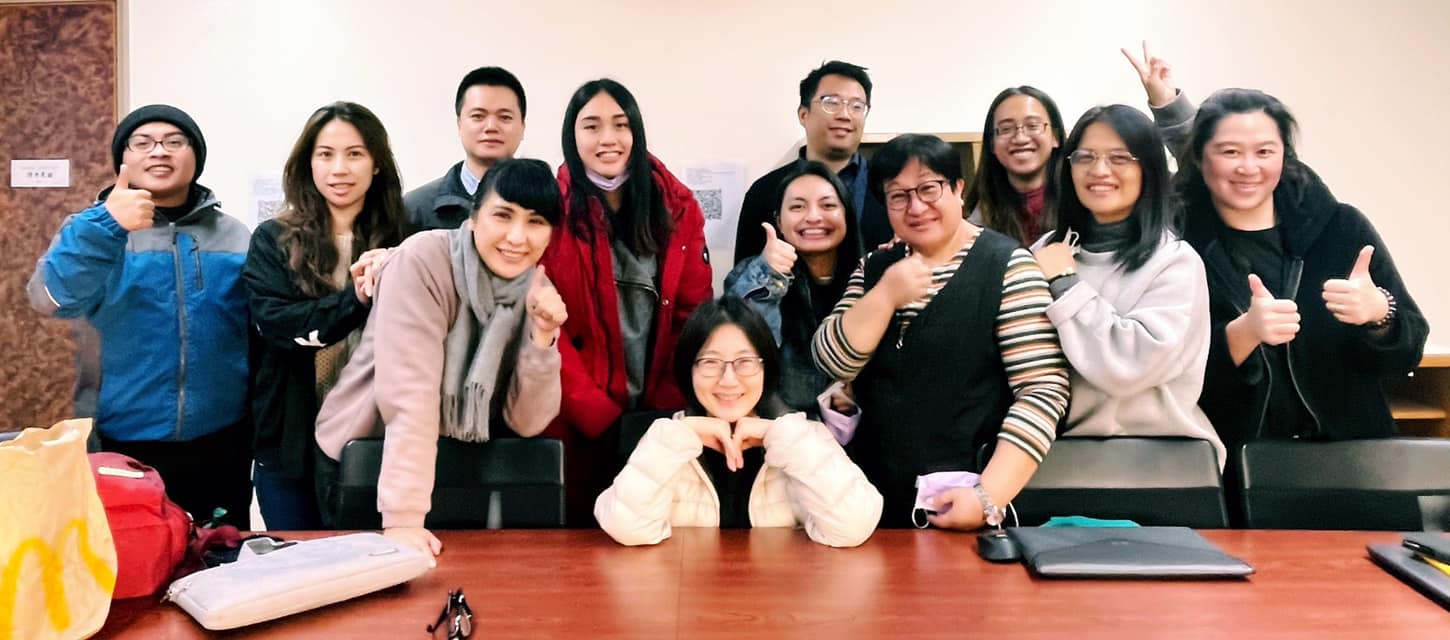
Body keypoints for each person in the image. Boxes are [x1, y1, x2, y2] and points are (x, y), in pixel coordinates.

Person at [1123, 43, 1428, 452]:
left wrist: (1380, 314)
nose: (1249, 167)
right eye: (1229, 152)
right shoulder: (1175, 246)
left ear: (1285, 155)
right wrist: (1240, 337)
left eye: (1265, 152)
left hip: (1354, 455)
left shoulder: (1341, 228)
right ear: (1198, 156)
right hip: (1235, 462)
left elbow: (1406, 353)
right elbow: (1161, 375)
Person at [812, 134, 1070, 530]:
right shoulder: (876, 267)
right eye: (898, 196)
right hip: (868, 501)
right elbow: (832, 362)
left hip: (963, 499)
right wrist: (885, 295)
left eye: (929, 188)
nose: (916, 207)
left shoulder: (1007, 266)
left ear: (958, 189)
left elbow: (1042, 390)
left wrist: (988, 496)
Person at [314, 159, 567, 562]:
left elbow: (528, 422)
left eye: (535, 222)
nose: (517, 237)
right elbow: (410, 397)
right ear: (473, 216)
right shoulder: (423, 260)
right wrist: (403, 519)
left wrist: (542, 337)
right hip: (369, 460)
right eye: (503, 215)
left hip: (455, 464)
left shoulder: (535, 289)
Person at [26, 104, 252, 526]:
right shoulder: (91, 229)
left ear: (196, 157)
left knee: (220, 552)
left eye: (174, 142)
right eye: (143, 143)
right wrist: (108, 225)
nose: (159, 151)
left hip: (223, 438)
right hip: (123, 438)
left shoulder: (234, 234)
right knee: (135, 554)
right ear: (123, 159)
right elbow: (49, 298)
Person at [541, 79, 714, 527]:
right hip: (574, 418)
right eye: (591, 126)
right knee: (580, 538)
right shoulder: (550, 208)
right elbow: (544, 327)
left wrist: (662, 408)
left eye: (620, 125)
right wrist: (597, 413)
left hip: (659, 417)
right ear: (572, 136)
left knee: (653, 533)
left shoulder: (678, 206)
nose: (608, 138)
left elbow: (693, 316)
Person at [595, 296, 882, 547]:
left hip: (780, 591)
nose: (729, 380)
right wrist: (678, 438)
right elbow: (626, 528)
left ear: (766, 369)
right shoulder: (665, 440)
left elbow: (853, 527)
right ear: (688, 370)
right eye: (710, 362)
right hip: (687, 589)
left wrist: (782, 436)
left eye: (745, 362)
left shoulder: (804, 438)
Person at [244, 102, 410, 529]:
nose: (339, 169)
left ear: (376, 164)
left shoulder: (405, 239)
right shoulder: (273, 240)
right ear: (308, 164)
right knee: (298, 561)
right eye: (325, 154)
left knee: (375, 560)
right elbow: (281, 326)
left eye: (355, 154)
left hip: (375, 439)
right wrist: (355, 300)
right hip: (290, 442)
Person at [1031, 104, 1223, 465]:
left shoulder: (1173, 261)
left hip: (1159, 456)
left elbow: (1128, 367)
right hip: (1056, 455)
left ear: (1148, 169)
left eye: (1119, 158)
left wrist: (1066, 285)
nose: (1099, 170)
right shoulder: (1045, 251)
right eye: (1085, 157)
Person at [724, 162, 862, 428]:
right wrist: (769, 274)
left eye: (828, 205)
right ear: (779, 221)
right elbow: (746, 353)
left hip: (864, 436)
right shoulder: (750, 275)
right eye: (798, 207)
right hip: (782, 432)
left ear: (847, 214)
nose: (813, 217)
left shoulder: (871, 275)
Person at [733, 60, 893, 263]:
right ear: (803, 114)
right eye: (831, 102)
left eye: (856, 106)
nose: (845, 115)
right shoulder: (764, 191)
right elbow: (741, 277)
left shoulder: (890, 189)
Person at [405, 66, 528, 231]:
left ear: (522, 126)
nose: (491, 127)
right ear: (459, 124)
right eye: (478, 116)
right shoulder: (415, 209)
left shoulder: (549, 203)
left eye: (505, 117)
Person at [966, 86, 1066, 247]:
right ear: (992, 144)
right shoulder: (973, 227)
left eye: (1032, 126)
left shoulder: (1083, 207)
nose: (1020, 138)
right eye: (1006, 129)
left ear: (1055, 137)